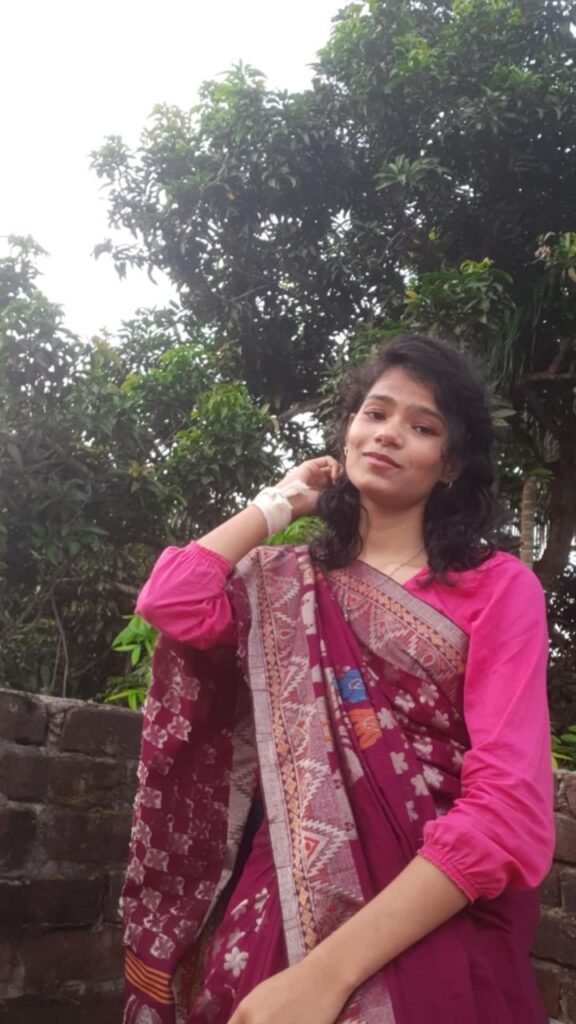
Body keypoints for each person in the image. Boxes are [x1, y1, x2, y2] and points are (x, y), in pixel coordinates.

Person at [122, 334, 554, 1024]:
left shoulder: (498, 588)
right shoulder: (285, 582)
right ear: (348, 430)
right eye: (374, 413)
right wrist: (281, 504)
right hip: (280, 903)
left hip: (432, 913)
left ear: (451, 464)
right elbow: (172, 600)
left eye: (423, 427)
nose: (389, 434)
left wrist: (325, 975)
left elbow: (508, 810)